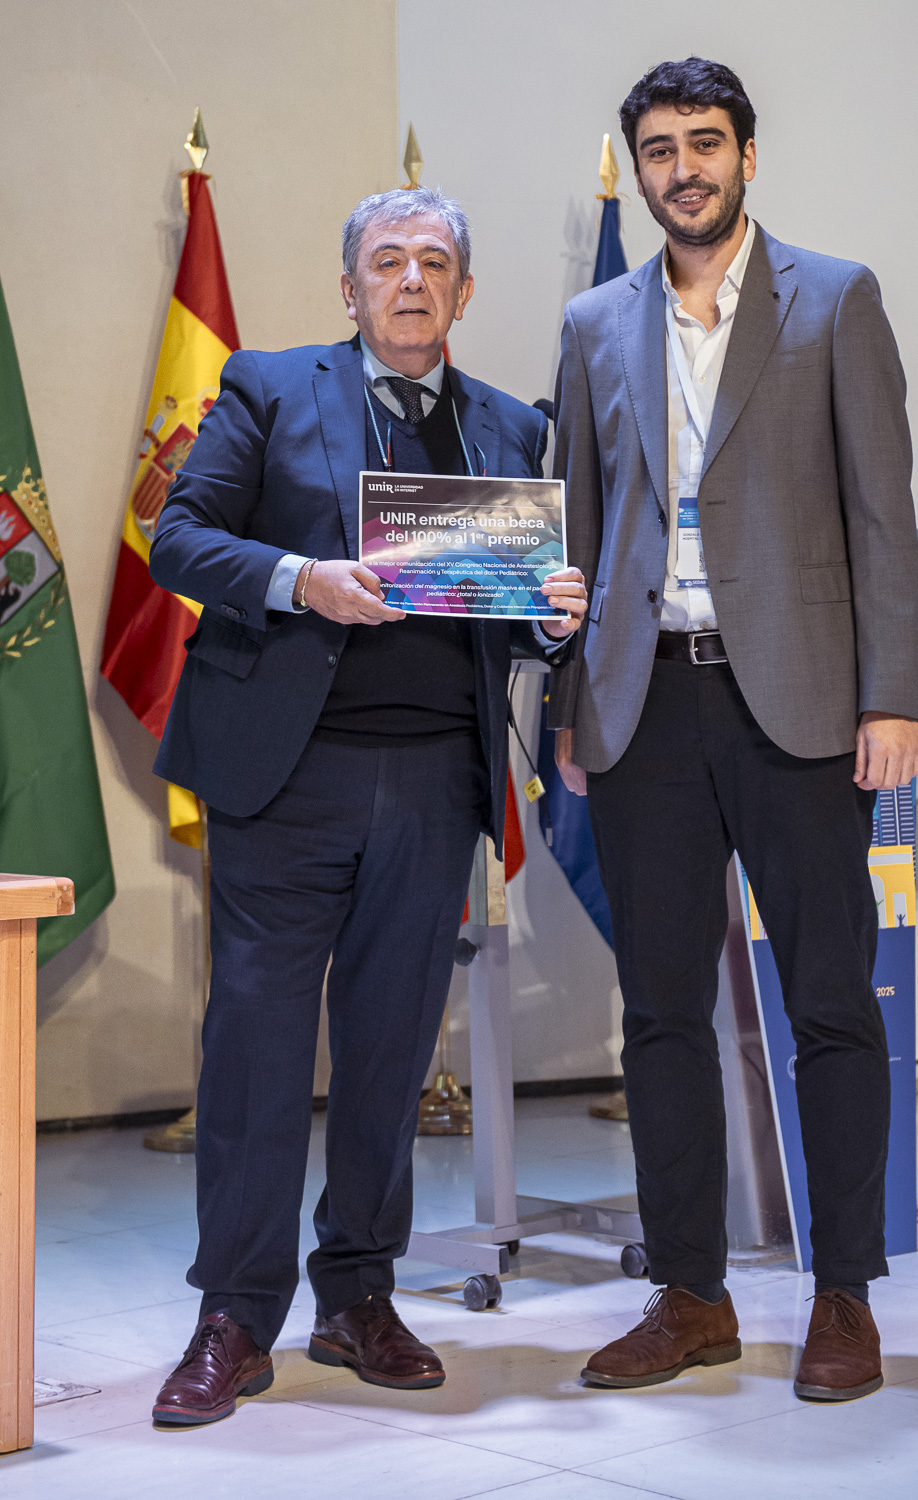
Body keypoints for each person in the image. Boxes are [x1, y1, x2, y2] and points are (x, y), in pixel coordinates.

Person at [147, 186, 586, 1426]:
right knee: (256, 1049)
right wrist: (300, 579)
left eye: (433, 263)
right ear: (348, 289)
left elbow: (508, 612)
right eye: (385, 261)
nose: (409, 281)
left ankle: (357, 1295)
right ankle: (235, 1316)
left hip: (436, 782)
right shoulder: (268, 389)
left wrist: (555, 617)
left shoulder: (509, 427)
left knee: (391, 1052)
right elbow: (178, 538)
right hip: (286, 778)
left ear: (461, 293)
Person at [550, 57, 918, 1401]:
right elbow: (577, 520)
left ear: (745, 156)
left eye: (703, 143)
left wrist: (893, 696)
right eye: (658, 149)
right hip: (641, 703)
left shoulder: (834, 297)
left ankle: (842, 1297)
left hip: (804, 703)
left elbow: (881, 511)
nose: (681, 169)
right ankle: (690, 1294)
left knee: (826, 1004)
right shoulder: (594, 321)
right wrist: (567, 697)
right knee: (658, 1013)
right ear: (641, 168)